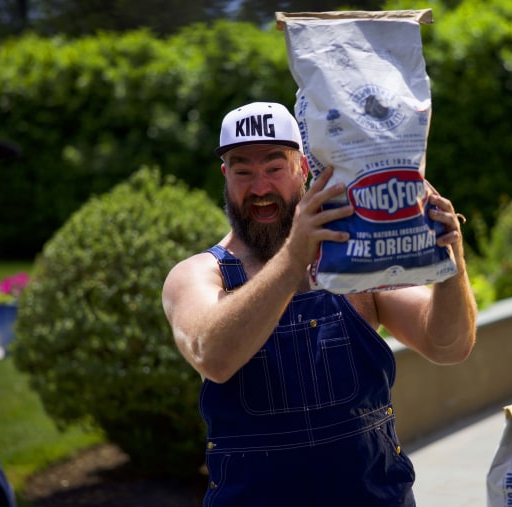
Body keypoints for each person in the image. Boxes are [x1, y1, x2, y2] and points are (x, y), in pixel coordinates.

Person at [162, 101, 476, 506]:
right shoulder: (199, 276)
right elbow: (214, 356)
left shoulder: (354, 261)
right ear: (226, 177)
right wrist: (295, 256)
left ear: (303, 169)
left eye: (274, 168)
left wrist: (452, 262)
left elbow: (448, 346)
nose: (259, 188)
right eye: (243, 171)